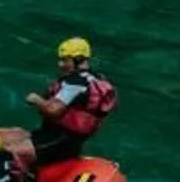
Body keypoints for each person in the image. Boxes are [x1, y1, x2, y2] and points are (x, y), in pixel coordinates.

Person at [26, 34, 116, 167]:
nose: (60, 64)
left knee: (9, 150)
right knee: (12, 132)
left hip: (56, 142)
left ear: (78, 59)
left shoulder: (76, 83)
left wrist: (36, 99)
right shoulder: (96, 78)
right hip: (69, 142)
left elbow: (53, 111)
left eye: (65, 60)